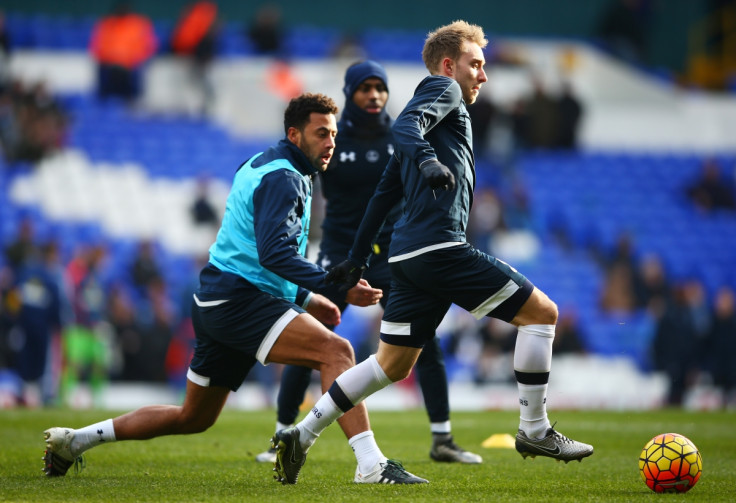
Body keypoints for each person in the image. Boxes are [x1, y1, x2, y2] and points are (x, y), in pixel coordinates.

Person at [42, 93, 426, 485]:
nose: (331, 143)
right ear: (294, 134)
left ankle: (76, 441)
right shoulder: (285, 178)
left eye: (333, 134)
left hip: (218, 298)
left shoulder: (262, 165)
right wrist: (337, 287)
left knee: (193, 417)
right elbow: (273, 254)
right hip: (239, 299)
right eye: (321, 134)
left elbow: (251, 251)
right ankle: (370, 464)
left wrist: (308, 298)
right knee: (337, 351)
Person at [272, 21, 593, 480]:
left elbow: (384, 194)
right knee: (542, 313)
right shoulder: (443, 90)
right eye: (475, 65)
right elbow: (407, 126)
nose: (483, 76)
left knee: (391, 365)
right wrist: (426, 159)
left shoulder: (426, 126)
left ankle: (299, 436)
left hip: (406, 256)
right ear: (449, 65)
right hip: (440, 248)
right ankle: (535, 429)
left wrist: (357, 258)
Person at [255, 61, 481, 465]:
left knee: (424, 341)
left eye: (380, 88)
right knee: (311, 340)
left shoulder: (405, 134)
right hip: (340, 254)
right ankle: (280, 435)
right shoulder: (329, 138)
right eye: (365, 88)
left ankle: (442, 439)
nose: (374, 95)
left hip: (393, 252)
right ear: (349, 92)